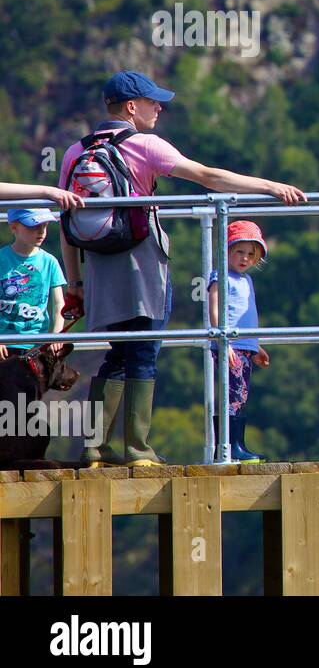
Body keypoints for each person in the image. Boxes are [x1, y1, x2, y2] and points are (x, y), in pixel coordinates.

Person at [60, 71, 306, 468]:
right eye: (152, 102)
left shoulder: (75, 152)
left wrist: (75, 282)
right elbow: (208, 177)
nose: (159, 107)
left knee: (116, 356)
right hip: (143, 267)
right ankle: (137, 449)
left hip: (100, 270)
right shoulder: (143, 145)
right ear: (130, 107)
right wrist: (271, 186)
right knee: (144, 354)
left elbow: (65, 222)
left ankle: (95, 449)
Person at [207, 221, 273, 462]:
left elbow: (247, 319)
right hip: (229, 344)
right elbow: (215, 310)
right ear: (227, 251)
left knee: (240, 395)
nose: (244, 258)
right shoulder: (220, 276)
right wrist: (222, 339)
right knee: (231, 394)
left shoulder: (247, 280)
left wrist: (255, 347)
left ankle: (236, 443)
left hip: (244, 347)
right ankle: (227, 445)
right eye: (239, 252)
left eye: (250, 254)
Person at [0, 209, 67, 357]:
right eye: (33, 226)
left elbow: (59, 303)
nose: (41, 232)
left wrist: (57, 335)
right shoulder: (1, 259)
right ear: (14, 227)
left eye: (45, 226)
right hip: (4, 344)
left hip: (37, 344)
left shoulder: (49, 262)